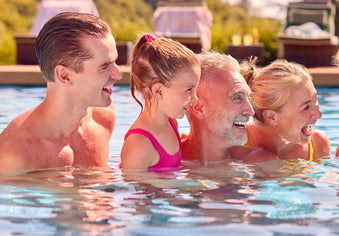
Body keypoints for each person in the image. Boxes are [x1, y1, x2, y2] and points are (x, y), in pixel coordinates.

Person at [0, 12, 122, 172]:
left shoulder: (103, 118)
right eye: (104, 66)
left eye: (115, 62)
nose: (118, 74)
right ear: (65, 75)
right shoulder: (16, 155)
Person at [120, 34, 200, 171]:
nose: (195, 98)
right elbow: (131, 189)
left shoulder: (171, 123)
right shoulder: (140, 145)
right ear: (159, 91)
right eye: (189, 90)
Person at [182, 51, 277, 163]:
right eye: (237, 98)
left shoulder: (262, 163)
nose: (250, 111)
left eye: (249, 99)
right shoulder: (161, 158)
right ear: (199, 108)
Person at [241, 59, 331, 161]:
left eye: (316, 100)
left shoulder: (318, 143)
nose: (319, 114)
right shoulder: (236, 144)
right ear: (271, 116)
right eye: (306, 107)